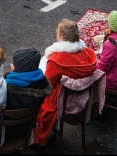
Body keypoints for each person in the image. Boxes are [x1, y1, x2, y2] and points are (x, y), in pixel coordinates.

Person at [33, 19, 97, 147]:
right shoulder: (89, 54)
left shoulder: (56, 60)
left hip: (61, 101)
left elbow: (47, 83)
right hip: (83, 97)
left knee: (36, 98)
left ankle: (40, 136)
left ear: (61, 37)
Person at [4, 48, 52, 139]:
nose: (11, 64)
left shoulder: (9, 88)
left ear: (20, 68)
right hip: (28, 128)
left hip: (8, 131)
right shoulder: (41, 83)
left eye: (14, 63)